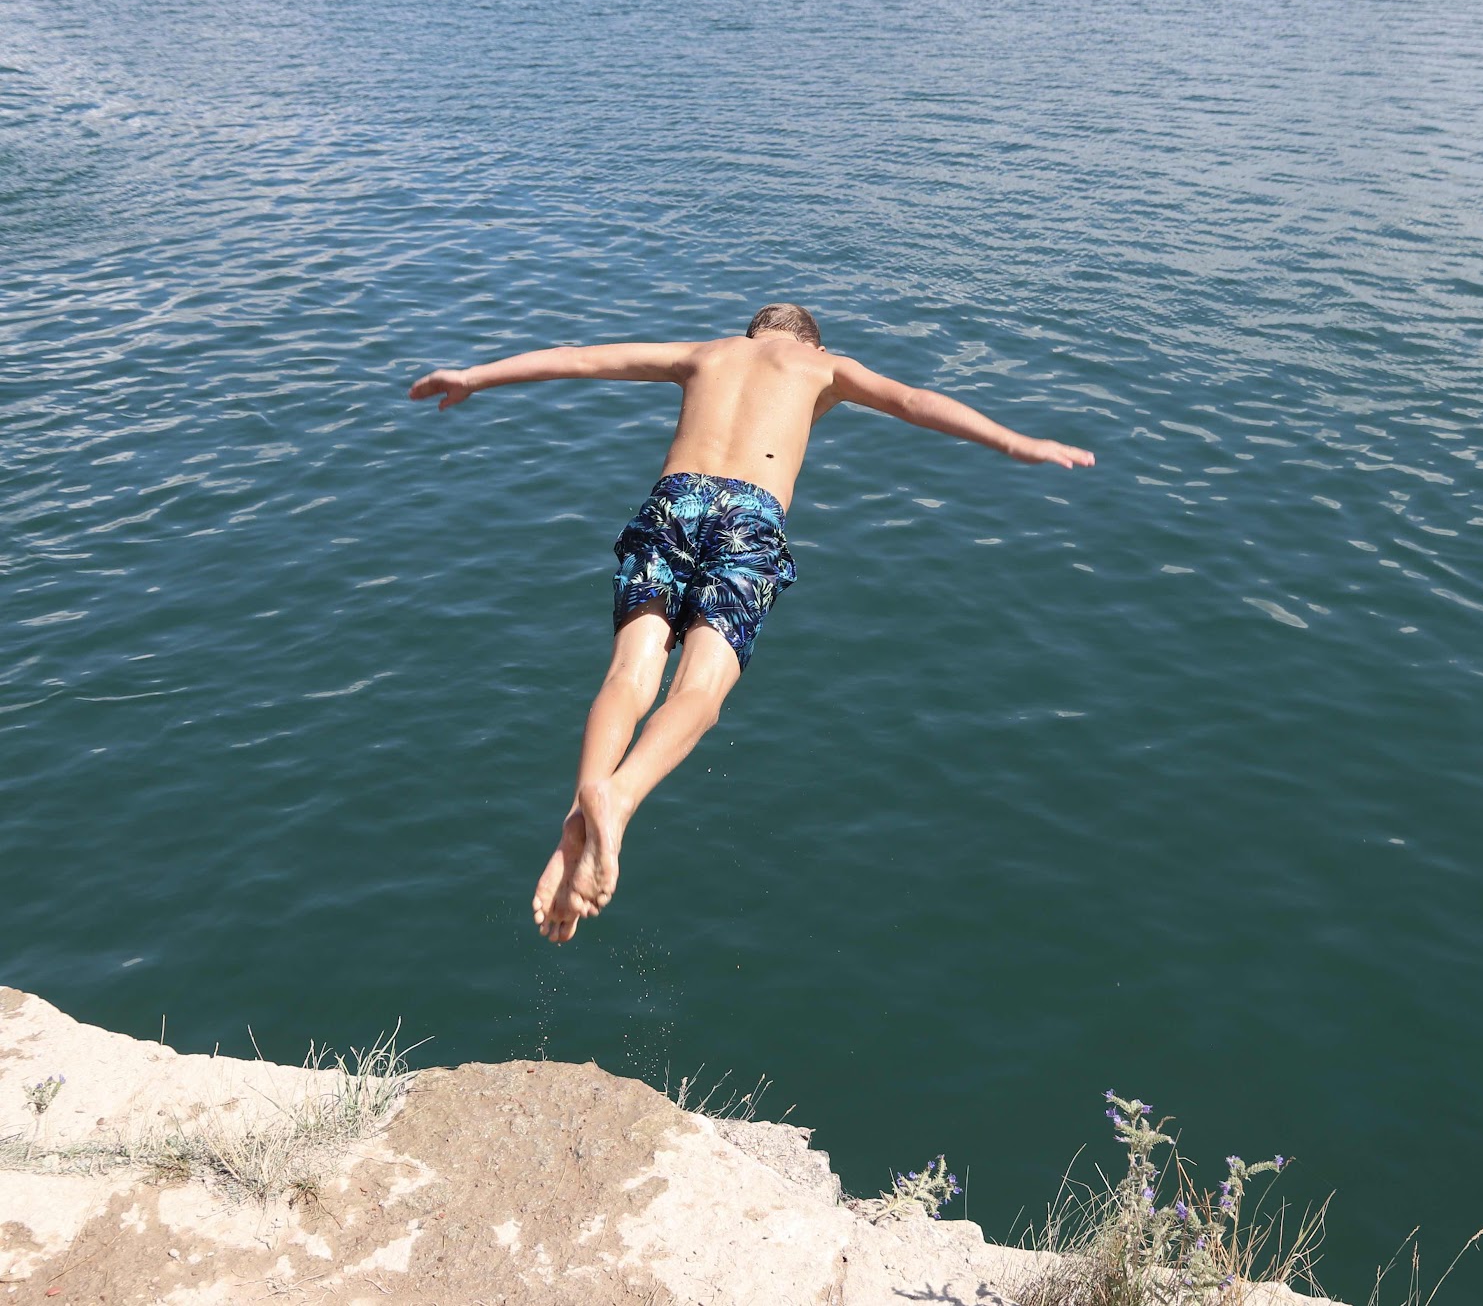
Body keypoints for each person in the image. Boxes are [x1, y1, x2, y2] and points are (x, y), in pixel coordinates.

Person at [409, 303, 1093, 943]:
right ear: (808, 342)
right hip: (749, 520)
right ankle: (618, 798)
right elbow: (913, 401)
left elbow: (581, 358)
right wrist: (1014, 442)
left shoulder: (705, 353)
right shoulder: (823, 367)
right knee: (699, 694)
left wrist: (473, 376)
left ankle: (578, 818)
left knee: (628, 674)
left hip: (672, 505)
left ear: (752, 333)